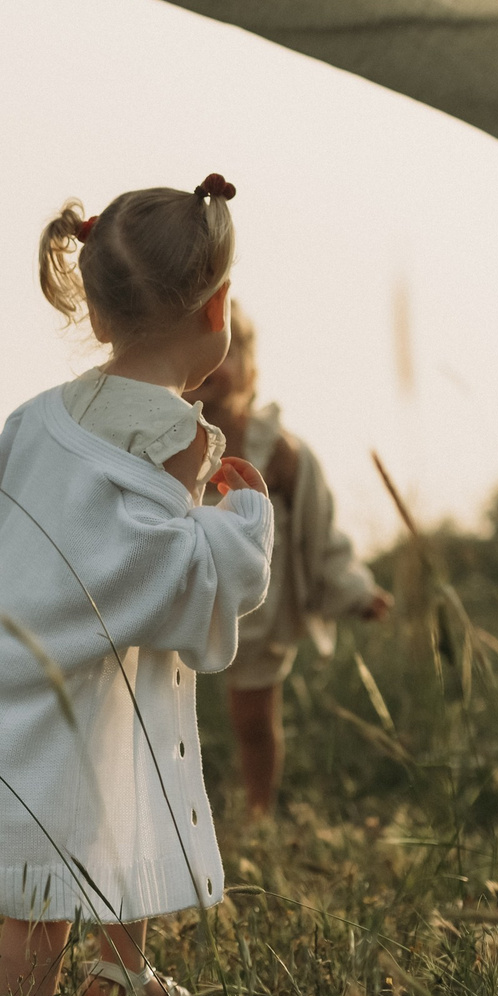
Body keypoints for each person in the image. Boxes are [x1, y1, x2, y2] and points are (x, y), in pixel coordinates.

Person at [0, 176, 274, 996]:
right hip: (82, 662)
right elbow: (163, 569)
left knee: (46, 857)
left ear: (95, 314)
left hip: (12, 649)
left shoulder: (35, 415)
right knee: (122, 795)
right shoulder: (177, 432)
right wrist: (242, 527)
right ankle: (92, 992)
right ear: (218, 308)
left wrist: (16, 595)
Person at [187, 300, 390, 821]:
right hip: (183, 599)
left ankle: (258, 810)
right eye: (191, 351)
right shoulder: (164, 442)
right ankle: (174, 812)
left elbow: (318, 529)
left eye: (224, 352)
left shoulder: (275, 449)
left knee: (253, 719)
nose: (208, 368)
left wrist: (354, 589)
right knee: (164, 714)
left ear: (250, 370)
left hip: (257, 613)